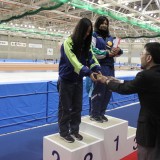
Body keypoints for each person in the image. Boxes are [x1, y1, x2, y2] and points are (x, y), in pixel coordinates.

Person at [98, 42, 160, 160]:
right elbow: (135, 85)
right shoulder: (152, 75)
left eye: (142, 53)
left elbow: (125, 89)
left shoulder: (145, 75)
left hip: (149, 131)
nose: (140, 56)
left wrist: (106, 81)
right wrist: (117, 80)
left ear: (149, 58)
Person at [57, 18, 101, 143]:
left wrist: (96, 69)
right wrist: (88, 72)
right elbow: (73, 63)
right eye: (85, 32)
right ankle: (63, 132)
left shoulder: (86, 45)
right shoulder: (68, 42)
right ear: (80, 30)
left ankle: (74, 130)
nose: (87, 35)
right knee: (65, 108)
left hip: (78, 80)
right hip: (66, 81)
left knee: (77, 107)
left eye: (89, 32)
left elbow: (92, 59)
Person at [90, 16, 123, 123]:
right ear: (97, 24)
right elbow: (93, 51)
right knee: (99, 90)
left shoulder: (110, 37)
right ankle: (94, 114)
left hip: (110, 67)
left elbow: (115, 51)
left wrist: (118, 51)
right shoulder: (94, 35)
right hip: (99, 67)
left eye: (106, 23)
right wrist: (107, 53)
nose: (104, 25)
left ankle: (101, 113)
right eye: (102, 23)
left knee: (108, 90)